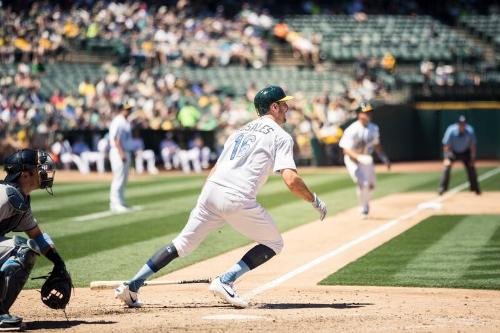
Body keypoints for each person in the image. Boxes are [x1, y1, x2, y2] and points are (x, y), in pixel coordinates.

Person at [115, 86, 327, 308]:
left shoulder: (240, 130)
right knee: (274, 242)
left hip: (211, 190)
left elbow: (216, 167)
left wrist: (206, 200)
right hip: (236, 196)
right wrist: (314, 199)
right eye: (283, 104)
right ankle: (225, 280)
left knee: (182, 243)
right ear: (273, 107)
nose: (287, 108)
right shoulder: (281, 136)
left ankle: (132, 286)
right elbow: (291, 180)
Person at [0, 149, 70, 329]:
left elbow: (37, 237)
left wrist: (58, 263)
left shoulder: (19, 199)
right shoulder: (4, 196)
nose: (45, 173)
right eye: (39, 169)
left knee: (29, 248)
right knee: (21, 249)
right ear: (25, 174)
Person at [339, 103, 390, 218]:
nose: (369, 114)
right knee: (363, 183)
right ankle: (364, 208)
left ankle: (365, 203)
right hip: (353, 160)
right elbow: (346, 150)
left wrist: (383, 157)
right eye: (366, 112)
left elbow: (377, 145)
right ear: (359, 115)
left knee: (372, 186)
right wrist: (359, 157)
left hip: (366, 159)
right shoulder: (352, 129)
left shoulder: (374, 128)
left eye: (370, 112)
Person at [439, 115, 480, 195]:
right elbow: (446, 146)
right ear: (457, 124)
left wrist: (472, 158)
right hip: (453, 152)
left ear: (465, 124)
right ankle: (442, 189)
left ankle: (475, 189)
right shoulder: (451, 130)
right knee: (446, 168)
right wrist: (446, 158)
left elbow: (473, 146)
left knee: (471, 167)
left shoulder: (470, 131)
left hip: (465, 152)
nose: (462, 125)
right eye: (460, 124)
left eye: (463, 124)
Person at [109, 103, 134, 212]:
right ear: (121, 110)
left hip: (125, 151)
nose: (128, 111)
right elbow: (116, 139)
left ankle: (121, 201)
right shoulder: (118, 121)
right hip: (118, 152)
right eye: (126, 109)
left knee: (123, 178)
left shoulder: (125, 121)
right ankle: (115, 203)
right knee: (118, 178)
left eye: (129, 109)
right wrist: (121, 153)